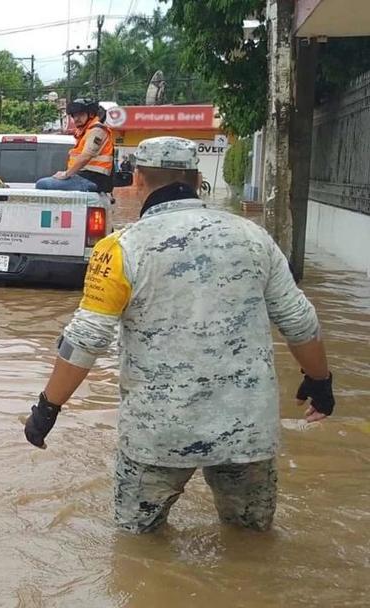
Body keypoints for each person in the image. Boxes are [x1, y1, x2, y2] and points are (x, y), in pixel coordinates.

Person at [23, 136, 335, 534]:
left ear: (138, 179)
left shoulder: (120, 248)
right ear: (197, 180)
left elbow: (86, 339)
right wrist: (319, 381)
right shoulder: (253, 237)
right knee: (250, 543)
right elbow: (299, 320)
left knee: (136, 545)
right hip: (246, 430)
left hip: (157, 434)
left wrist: (47, 408)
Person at [35, 98, 113, 192]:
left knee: (43, 184)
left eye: (80, 114)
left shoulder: (97, 130)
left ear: (91, 115)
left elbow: (86, 156)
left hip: (93, 179)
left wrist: (66, 174)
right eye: (74, 115)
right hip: (85, 177)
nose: (76, 118)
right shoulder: (85, 132)